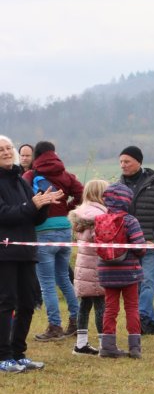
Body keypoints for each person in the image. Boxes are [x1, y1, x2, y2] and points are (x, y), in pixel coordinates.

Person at [0, 135, 58, 373]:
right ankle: (3, 356)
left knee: (27, 302)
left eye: (8, 148)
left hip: (26, 250)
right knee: (6, 303)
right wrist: (31, 205)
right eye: (1, 150)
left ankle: (18, 353)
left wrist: (44, 205)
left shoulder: (20, 179)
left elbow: (33, 218)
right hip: (4, 253)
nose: (6, 152)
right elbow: (4, 214)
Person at [24, 141, 83, 341]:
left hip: (43, 231)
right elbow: (81, 193)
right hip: (65, 229)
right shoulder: (66, 175)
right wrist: (68, 208)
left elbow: (22, 199)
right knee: (64, 278)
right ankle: (77, 321)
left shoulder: (30, 175)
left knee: (47, 283)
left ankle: (55, 326)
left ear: (36, 155)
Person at [118, 145, 154, 336]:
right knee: (135, 284)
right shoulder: (119, 186)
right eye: (121, 162)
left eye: (127, 161)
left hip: (151, 242)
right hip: (129, 244)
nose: (123, 165)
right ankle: (152, 324)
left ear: (138, 162)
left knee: (147, 282)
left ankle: (141, 317)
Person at [97, 183, 146, 359]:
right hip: (129, 272)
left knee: (110, 308)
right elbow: (140, 247)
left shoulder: (100, 220)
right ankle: (135, 347)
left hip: (107, 272)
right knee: (132, 307)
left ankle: (108, 346)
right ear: (127, 201)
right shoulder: (130, 221)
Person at [68, 179, 109, 356]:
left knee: (84, 304)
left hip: (83, 265)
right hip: (96, 266)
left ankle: (81, 344)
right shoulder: (100, 216)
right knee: (101, 304)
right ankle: (104, 344)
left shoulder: (80, 213)